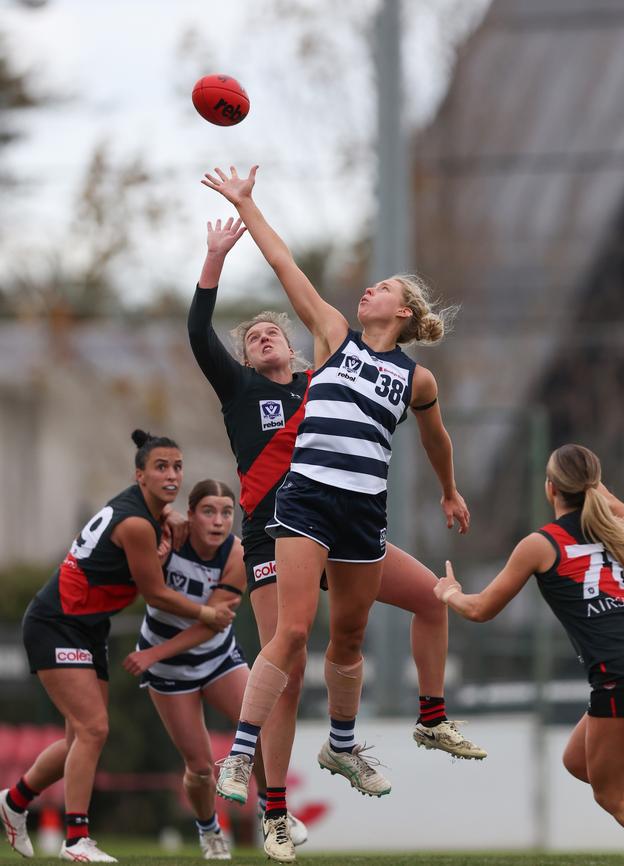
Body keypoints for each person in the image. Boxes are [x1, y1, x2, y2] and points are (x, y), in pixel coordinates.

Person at [197, 165, 478, 863]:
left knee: (348, 640)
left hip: (363, 514)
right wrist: (247, 204)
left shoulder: (417, 378)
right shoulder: (333, 334)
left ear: (404, 314)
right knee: (290, 637)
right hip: (304, 505)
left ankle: (347, 746)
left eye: (382, 288)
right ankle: (243, 765)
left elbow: (437, 437)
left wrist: (448, 488)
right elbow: (283, 260)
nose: (368, 289)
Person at [0, 431, 228, 864]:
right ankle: (76, 840)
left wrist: (172, 519)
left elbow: (161, 534)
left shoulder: (150, 513)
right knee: (94, 729)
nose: (172, 475)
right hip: (56, 623)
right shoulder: (137, 523)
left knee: (79, 738)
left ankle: (14, 800)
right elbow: (156, 595)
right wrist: (206, 615)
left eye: (177, 467)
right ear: (139, 475)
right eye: (161, 467)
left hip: (87, 627)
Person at [433, 443, 624, 844]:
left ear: (549, 488)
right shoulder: (610, 530)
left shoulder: (541, 543)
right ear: (594, 487)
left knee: (613, 795)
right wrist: (601, 491)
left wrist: (448, 593)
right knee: (577, 759)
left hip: (622, 670)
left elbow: (480, 609)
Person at [122, 479, 305, 860]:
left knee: (259, 724)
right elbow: (140, 529)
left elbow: (212, 623)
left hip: (216, 658)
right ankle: (209, 831)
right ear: (191, 514)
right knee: (201, 767)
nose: (219, 521)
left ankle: (271, 810)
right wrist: (163, 524)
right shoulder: (169, 537)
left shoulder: (236, 554)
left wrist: (152, 655)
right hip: (170, 673)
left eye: (226, 512)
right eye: (208, 511)